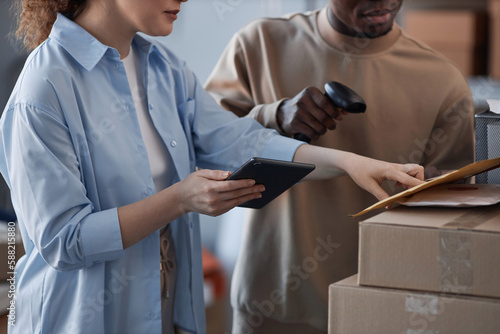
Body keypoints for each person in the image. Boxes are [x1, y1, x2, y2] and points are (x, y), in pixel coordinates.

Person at [0, 0, 426, 333]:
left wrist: (352, 164)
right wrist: (180, 199)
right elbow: (63, 241)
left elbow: (242, 140)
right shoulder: (43, 89)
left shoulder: (164, 69)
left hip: (163, 314)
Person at [205, 0, 475, 333]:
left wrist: (431, 190)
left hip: (384, 307)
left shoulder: (443, 80)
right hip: (272, 305)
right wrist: (273, 116)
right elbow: (204, 151)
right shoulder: (258, 44)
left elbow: (459, 210)